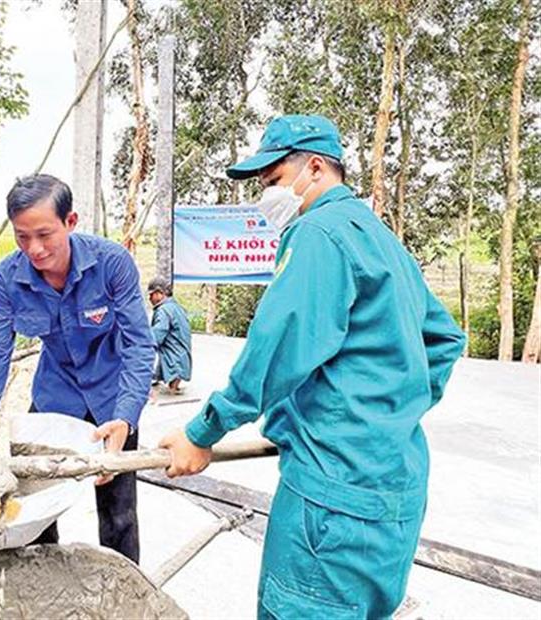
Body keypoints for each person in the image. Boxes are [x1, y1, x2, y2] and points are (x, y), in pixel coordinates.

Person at [159, 115, 466, 618]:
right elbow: (445, 340)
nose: (267, 196)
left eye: (274, 179)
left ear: (317, 167)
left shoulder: (317, 233)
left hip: (331, 500)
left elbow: (278, 348)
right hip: (395, 492)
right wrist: (385, 413)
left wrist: (202, 433)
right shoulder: (378, 236)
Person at [0, 174, 154, 562]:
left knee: (118, 515)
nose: (34, 249)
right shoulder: (6, 279)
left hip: (111, 402)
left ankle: (123, 588)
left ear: (70, 221)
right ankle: (43, 581)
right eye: (22, 237)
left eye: (44, 235)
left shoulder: (111, 263)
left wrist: (125, 417)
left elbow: (138, 345)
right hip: (54, 400)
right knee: (36, 511)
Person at [146, 278, 192, 394]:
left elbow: (157, 335)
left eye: (151, 295)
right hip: (182, 359)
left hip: (175, 359)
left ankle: (172, 387)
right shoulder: (177, 307)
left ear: (160, 293)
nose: (150, 298)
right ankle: (173, 386)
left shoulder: (163, 310)